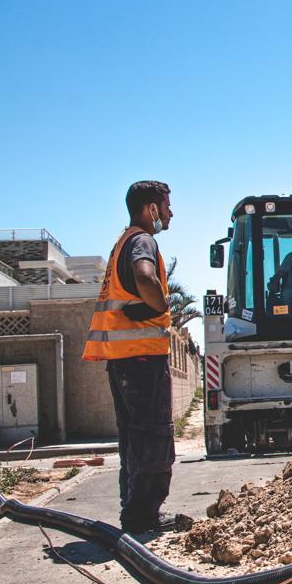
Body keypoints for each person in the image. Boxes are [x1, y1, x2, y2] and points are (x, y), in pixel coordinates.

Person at [83, 180, 177, 533]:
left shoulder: (120, 243)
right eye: (166, 206)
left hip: (122, 361)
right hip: (142, 360)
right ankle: (143, 517)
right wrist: (161, 303)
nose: (170, 212)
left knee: (133, 438)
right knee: (153, 435)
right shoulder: (141, 240)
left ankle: (134, 513)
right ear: (151, 209)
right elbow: (144, 275)